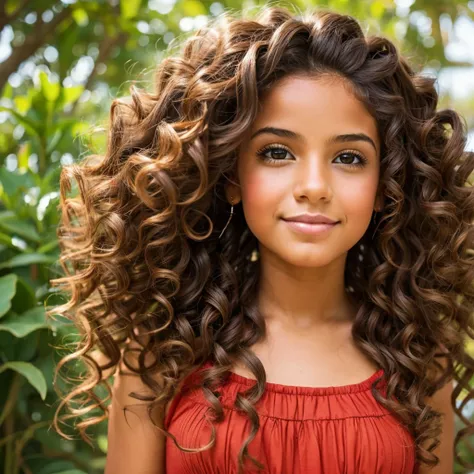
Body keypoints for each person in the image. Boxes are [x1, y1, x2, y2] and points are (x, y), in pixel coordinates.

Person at [48, 5, 474, 474]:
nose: (314, 185)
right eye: (277, 152)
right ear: (231, 175)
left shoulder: (417, 357)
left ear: (385, 186)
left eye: (349, 157)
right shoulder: (163, 353)